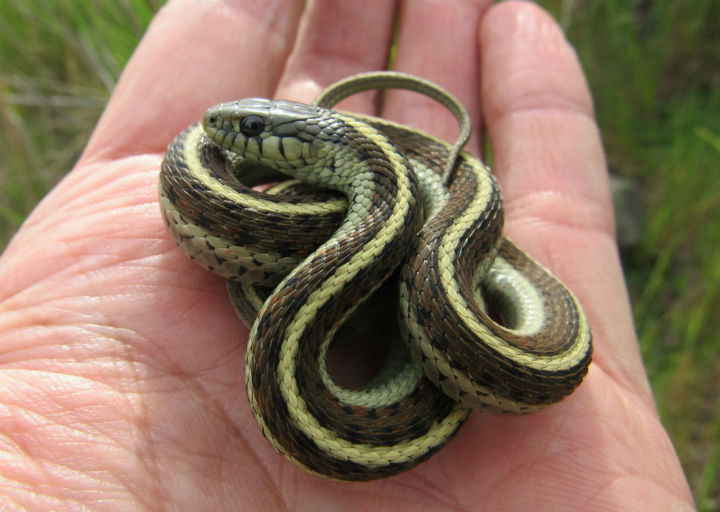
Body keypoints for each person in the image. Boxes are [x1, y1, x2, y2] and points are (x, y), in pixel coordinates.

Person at [0, 0, 695, 510]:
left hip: (457, 297)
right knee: (411, 246)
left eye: (248, 130)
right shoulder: (371, 192)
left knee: (435, 244)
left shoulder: (404, 203)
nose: (221, 132)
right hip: (391, 225)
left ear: (309, 147)